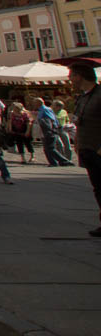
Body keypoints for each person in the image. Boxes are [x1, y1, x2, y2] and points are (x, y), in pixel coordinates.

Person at [69, 61, 101, 237]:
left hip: (99, 149)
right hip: (87, 149)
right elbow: (79, 122)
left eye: (71, 76)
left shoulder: (99, 95)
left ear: (79, 77)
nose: (70, 80)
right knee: (98, 188)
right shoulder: (82, 97)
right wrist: (77, 142)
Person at [34, 97, 72, 167]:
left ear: (38, 103)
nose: (33, 104)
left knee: (51, 148)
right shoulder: (42, 110)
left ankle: (64, 161)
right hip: (45, 131)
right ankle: (53, 162)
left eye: (35, 103)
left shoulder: (45, 109)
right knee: (47, 148)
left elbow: (51, 120)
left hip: (49, 131)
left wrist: (51, 130)